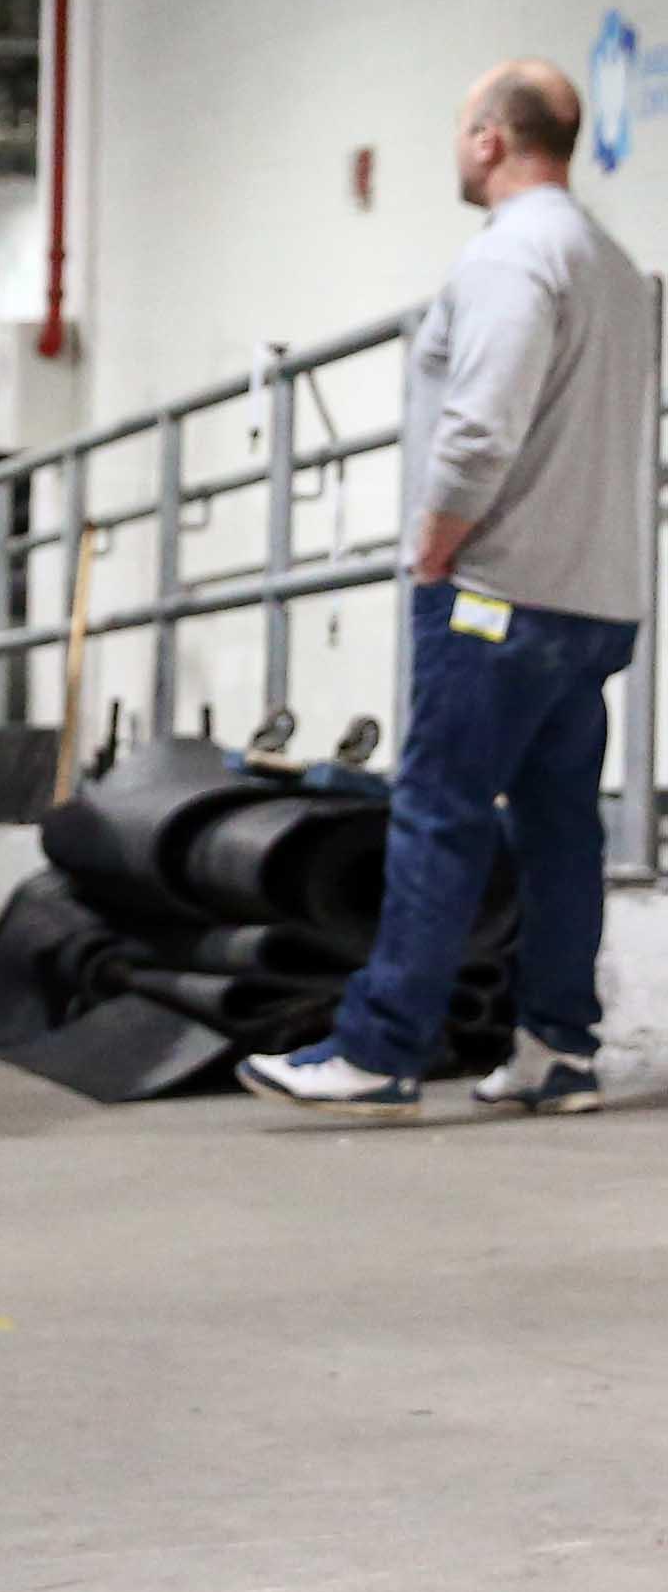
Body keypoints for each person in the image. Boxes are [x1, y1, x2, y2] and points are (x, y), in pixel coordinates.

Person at [240, 61, 655, 1122]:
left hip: (495, 590)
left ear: (487, 138)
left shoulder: (513, 255)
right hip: (595, 596)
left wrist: (433, 543)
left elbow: (480, 419)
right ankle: (555, 1046)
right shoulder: (610, 262)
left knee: (437, 813)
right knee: (562, 825)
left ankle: (380, 1050)